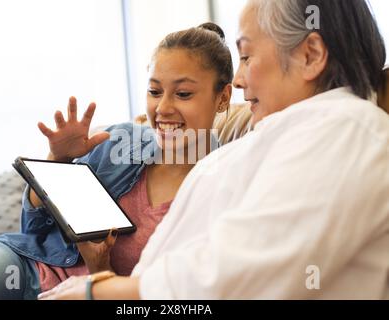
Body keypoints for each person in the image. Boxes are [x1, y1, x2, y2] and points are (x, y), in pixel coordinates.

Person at [38, 0, 389, 300]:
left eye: (248, 56)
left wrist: (98, 290)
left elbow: (240, 271)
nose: (238, 80)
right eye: (155, 90)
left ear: (310, 56)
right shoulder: (279, 138)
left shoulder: (346, 130)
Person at [0, 23, 234, 300]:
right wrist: (59, 160)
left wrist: (99, 268)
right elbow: (34, 229)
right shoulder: (121, 141)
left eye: (183, 94)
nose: (163, 108)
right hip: (29, 264)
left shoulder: (225, 189)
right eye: (154, 91)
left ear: (222, 97)